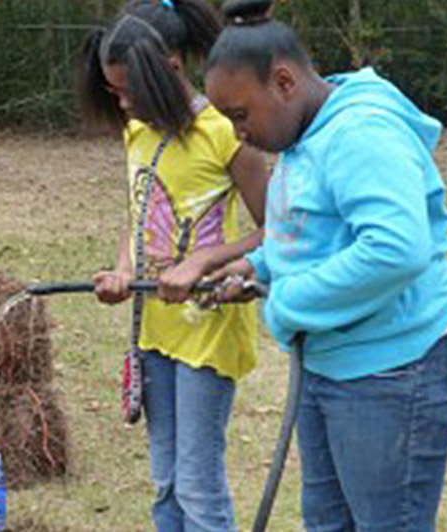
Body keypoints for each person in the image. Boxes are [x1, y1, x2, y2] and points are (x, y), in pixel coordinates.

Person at [203, 1, 447, 531]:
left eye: (240, 115)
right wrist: (258, 269)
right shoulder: (304, 136)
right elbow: (313, 237)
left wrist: (286, 303)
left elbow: (394, 248)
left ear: (283, 81)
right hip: (335, 361)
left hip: (397, 366)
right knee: (328, 523)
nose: (238, 134)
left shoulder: (359, 133)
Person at [78, 1, 269, 531]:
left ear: (171, 67)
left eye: (127, 91)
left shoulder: (224, 132)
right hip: (155, 330)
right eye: (112, 91)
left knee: (197, 486)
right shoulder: (138, 132)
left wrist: (206, 260)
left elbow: (279, 229)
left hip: (208, 330)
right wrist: (122, 270)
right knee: (165, 483)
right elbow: (138, 212)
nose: (120, 104)